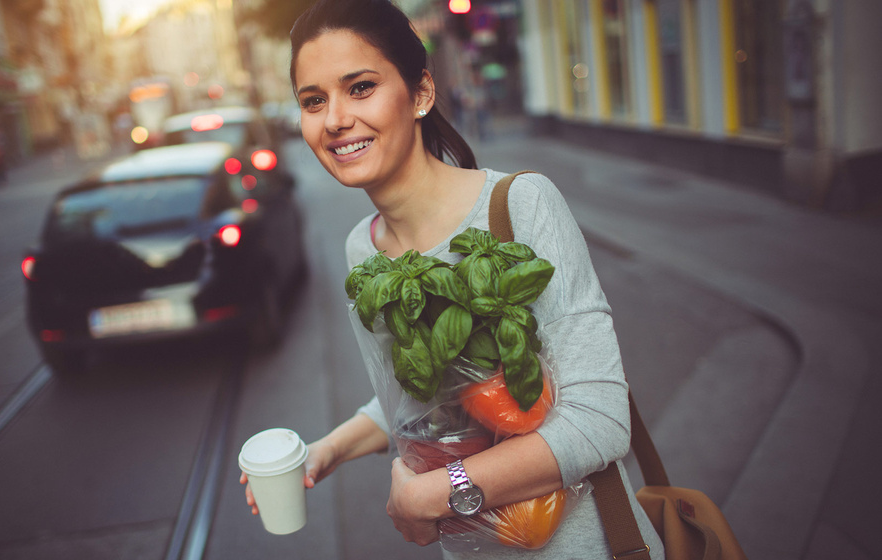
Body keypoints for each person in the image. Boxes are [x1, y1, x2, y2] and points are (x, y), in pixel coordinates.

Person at [240, 0, 664, 557]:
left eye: (360, 87)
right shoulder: (361, 251)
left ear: (420, 93)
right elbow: (429, 392)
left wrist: (435, 495)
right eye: (313, 100)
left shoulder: (518, 205)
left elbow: (601, 421)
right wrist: (326, 450)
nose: (335, 119)